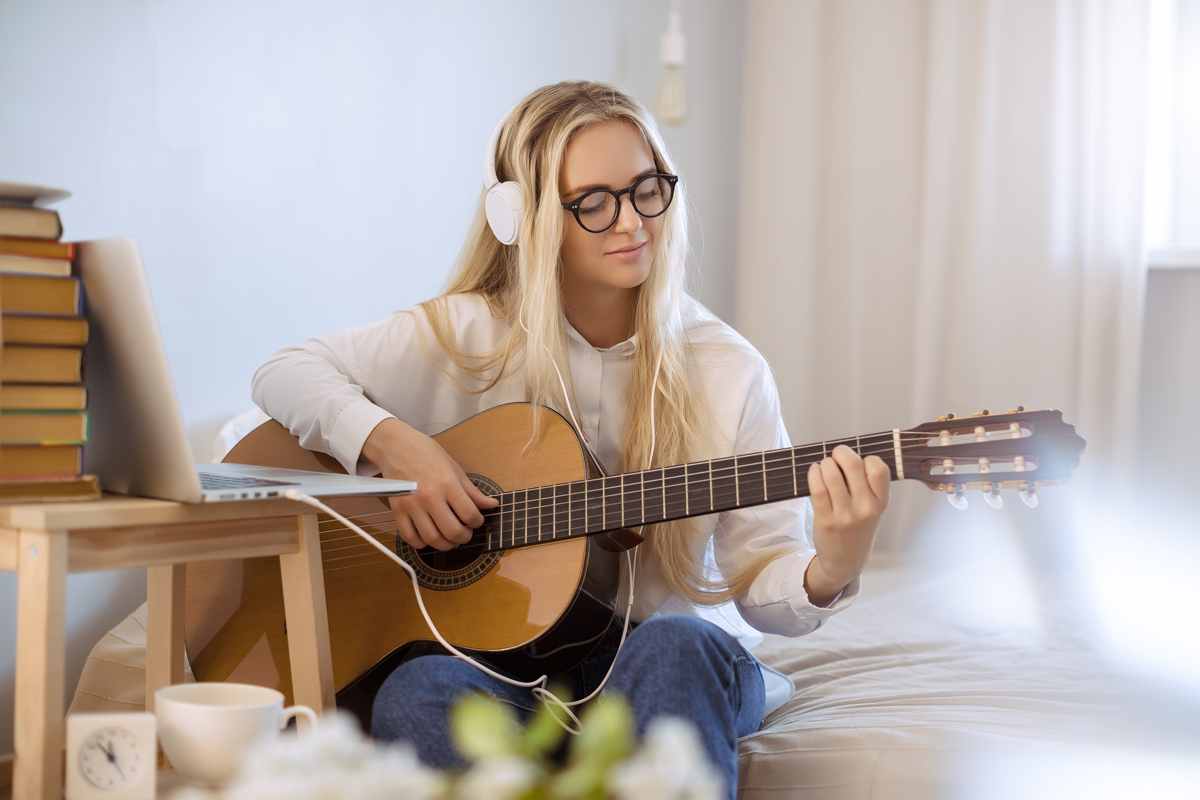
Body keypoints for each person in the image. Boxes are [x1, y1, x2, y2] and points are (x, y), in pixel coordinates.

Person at [252, 80, 890, 797]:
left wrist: (828, 570)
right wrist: (396, 446)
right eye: (593, 201)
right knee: (417, 689)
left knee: (677, 645)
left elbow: (757, 579)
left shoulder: (727, 369)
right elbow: (285, 371)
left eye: (647, 188)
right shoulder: (466, 335)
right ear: (519, 217)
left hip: (659, 666)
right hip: (502, 674)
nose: (632, 222)